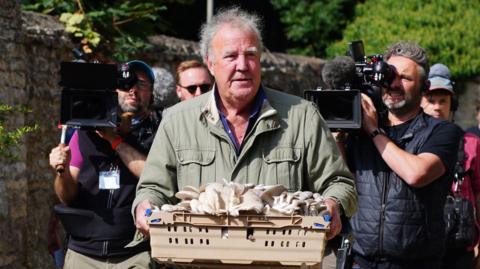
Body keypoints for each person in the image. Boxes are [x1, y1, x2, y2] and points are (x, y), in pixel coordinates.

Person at [132, 7, 357, 244]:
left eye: (250, 55)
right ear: (210, 63)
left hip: (279, 258)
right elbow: (153, 188)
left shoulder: (302, 117)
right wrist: (145, 206)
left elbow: (339, 183)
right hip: (198, 258)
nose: (243, 65)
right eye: (230, 56)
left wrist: (334, 204)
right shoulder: (176, 121)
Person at [342, 41, 463, 269]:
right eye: (388, 76)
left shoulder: (443, 131)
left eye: (405, 78)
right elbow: (343, 179)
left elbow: (416, 173)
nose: (394, 84)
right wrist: (339, 136)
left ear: (424, 87)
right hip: (361, 263)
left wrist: (374, 130)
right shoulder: (361, 131)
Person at [49, 60, 160, 269]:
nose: (133, 90)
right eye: (125, 84)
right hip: (84, 253)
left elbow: (153, 174)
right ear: (113, 90)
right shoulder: (84, 130)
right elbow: (66, 196)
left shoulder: (159, 131)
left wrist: (114, 141)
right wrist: (60, 173)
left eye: (142, 84)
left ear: (152, 93)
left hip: (135, 253)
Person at [421, 63, 480, 269]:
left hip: (459, 247)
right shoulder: (410, 142)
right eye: (431, 100)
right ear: (421, 102)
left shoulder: (471, 143)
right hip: (420, 246)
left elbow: (478, 193)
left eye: (443, 101)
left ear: (451, 105)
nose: (437, 107)